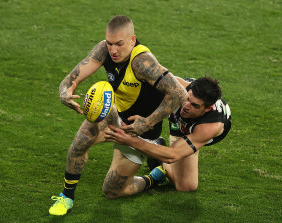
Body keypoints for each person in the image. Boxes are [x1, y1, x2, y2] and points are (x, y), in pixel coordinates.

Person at [49, 15, 188, 215]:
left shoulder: (143, 63)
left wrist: (146, 123)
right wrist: (64, 92)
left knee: (112, 191)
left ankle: (153, 175)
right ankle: (66, 197)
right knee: (79, 143)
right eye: (110, 43)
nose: (113, 50)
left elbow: (179, 94)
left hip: (139, 130)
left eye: (119, 44)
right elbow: (71, 78)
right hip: (114, 114)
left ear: (133, 40)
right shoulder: (104, 50)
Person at [105, 76, 231, 192]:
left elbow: (173, 155)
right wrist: (146, 117)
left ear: (207, 108)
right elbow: (142, 83)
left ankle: (157, 156)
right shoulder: (177, 86)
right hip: (178, 120)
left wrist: (129, 140)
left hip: (193, 134)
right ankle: (157, 150)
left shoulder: (210, 127)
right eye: (187, 98)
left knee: (186, 186)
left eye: (194, 105)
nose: (186, 105)